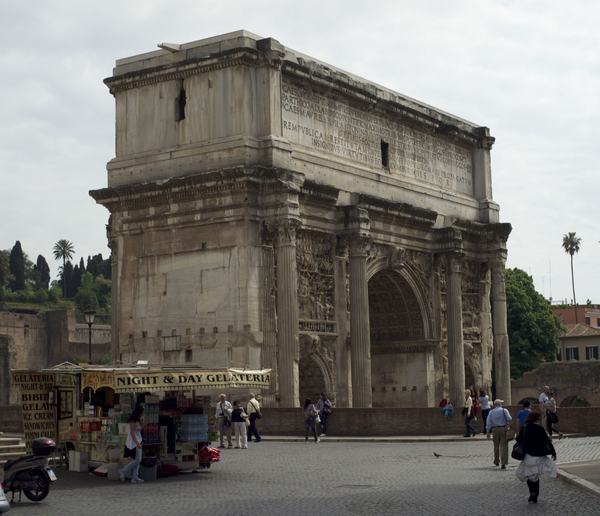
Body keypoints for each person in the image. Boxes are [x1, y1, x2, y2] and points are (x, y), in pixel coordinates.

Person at [515, 411, 557, 503]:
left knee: (530, 475)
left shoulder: (524, 428)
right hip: (539, 455)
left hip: (528, 455)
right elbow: (547, 441)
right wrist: (553, 453)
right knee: (535, 476)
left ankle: (532, 493)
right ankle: (535, 494)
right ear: (537, 419)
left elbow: (518, 439)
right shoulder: (540, 429)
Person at [119, 406, 144, 483]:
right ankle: (123, 471)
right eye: (142, 412)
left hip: (139, 440)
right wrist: (137, 443)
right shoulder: (133, 421)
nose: (143, 413)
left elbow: (139, 429)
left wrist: (143, 422)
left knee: (137, 459)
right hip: (134, 442)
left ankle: (134, 477)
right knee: (137, 460)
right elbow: (132, 433)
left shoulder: (138, 420)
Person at [485, 399, 513, 469]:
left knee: (496, 446)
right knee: (504, 446)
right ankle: (503, 463)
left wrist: (488, 432)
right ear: (500, 404)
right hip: (503, 429)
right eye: (501, 403)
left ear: (495, 405)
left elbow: (488, 422)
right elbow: (509, 418)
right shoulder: (504, 410)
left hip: (494, 429)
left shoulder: (491, 412)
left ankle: (496, 461)